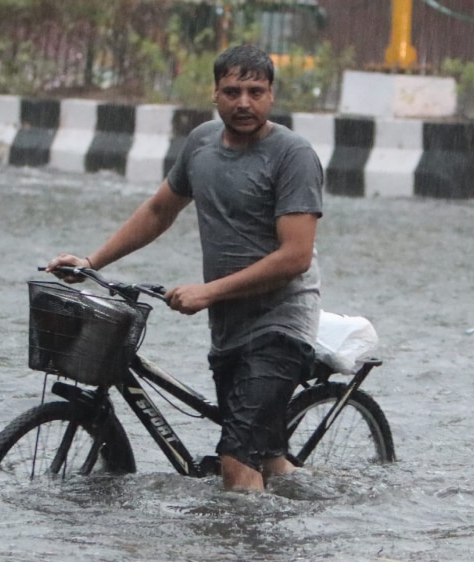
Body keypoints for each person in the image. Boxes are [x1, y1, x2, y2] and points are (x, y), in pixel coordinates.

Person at [46, 44, 324, 492]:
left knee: (234, 462)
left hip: (281, 323)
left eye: (256, 91)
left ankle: (237, 560)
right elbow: (159, 210)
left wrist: (208, 292)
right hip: (228, 326)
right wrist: (91, 261)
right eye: (232, 91)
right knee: (266, 457)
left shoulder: (293, 155)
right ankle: (314, 498)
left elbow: (296, 256)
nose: (244, 103)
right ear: (214, 94)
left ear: (272, 95)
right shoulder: (200, 144)